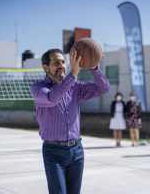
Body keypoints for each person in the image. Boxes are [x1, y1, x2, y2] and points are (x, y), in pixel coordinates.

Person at [31, 48, 110, 194]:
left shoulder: (75, 87)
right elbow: (52, 98)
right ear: (46, 67)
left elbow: (103, 88)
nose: (61, 65)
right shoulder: (38, 88)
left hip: (76, 150)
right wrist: (73, 74)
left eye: (63, 62)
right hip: (53, 152)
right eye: (56, 62)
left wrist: (94, 68)